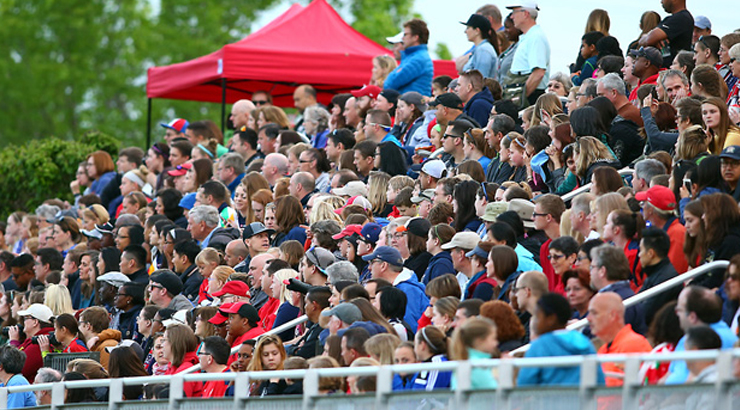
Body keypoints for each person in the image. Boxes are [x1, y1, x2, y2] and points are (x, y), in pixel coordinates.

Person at [518, 293, 604, 386]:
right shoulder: (585, 342)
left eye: (538, 316)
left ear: (551, 319)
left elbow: (524, 384)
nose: (534, 322)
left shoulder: (539, 346)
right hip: (582, 399)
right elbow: (599, 379)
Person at [665, 286, 738, 384]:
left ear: (692, 317)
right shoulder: (687, 338)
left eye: (679, 310)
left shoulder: (712, 340)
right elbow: (668, 375)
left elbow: (687, 388)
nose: (677, 314)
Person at [588, 292, 651, 386]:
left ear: (612, 315)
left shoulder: (633, 344)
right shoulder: (604, 349)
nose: (588, 318)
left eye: (594, 313)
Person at [506, 2, 550, 106]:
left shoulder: (535, 38)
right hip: (525, 93)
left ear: (525, 14)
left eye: (514, 12)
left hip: (531, 97)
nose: (512, 17)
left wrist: (521, 98)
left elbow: (538, 73)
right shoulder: (530, 36)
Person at [384, 19, 433, 95]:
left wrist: (388, 79)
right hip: (409, 104)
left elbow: (391, 83)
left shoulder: (419, 59)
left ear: (415, 37)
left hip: (413, 105)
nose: (403, 38)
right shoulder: (413, 57)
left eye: (405, 34)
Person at [638, 0, 693, 68]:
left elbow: (649, 39)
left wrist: (651, 38)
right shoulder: (672, 19)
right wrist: (651, 38)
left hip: (673, 72)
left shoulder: (681, 18)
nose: (661, 1)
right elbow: (643, 40)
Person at [8, 303, 54, 381]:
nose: (23, 322)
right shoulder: (32, 341)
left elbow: (15, 369)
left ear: (35, 322)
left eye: (26, 318)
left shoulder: (39, 343)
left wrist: (13, 343)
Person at [162, 323, 202, 397]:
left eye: (164, 340)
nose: (162, 345)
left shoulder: (187, 371)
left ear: (175, 342)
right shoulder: (173, 367)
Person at [412, 325, 451, 390]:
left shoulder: (437, 365)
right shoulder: (427, 364)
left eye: (415, 344)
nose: (414, 349)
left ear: (422, 345)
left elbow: (429, 396)